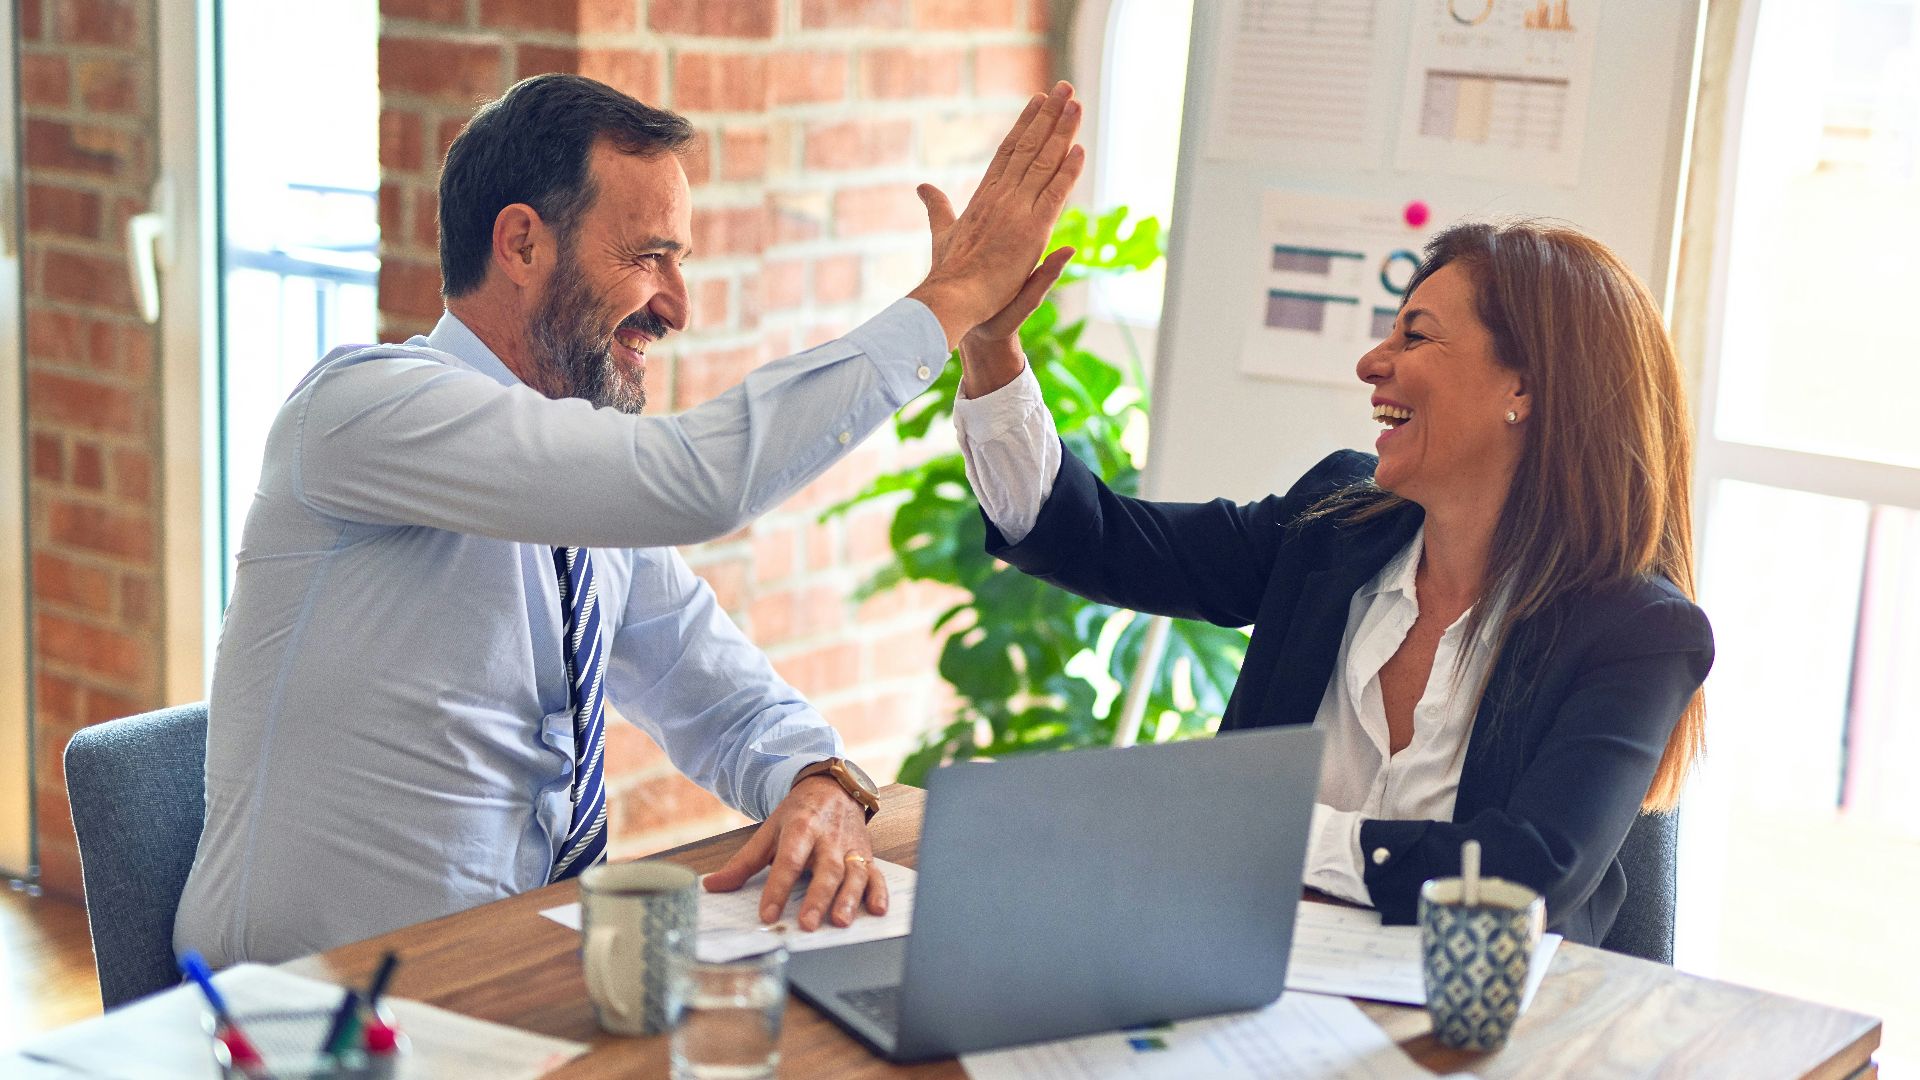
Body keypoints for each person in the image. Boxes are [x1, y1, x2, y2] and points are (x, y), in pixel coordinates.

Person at [175, 73, 1085, 965]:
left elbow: (721, 695)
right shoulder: (363, 410)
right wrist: (952, 299)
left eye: (679, 261)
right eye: (650, 256)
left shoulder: (581, 497)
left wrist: (819, 780)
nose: (677, 306)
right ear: (523, 245)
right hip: (308, 1018)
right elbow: (700, 481)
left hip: (512, 982)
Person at [950, 220, 1713, 945]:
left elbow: (1522, 877)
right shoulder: (1334, 526)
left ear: (1525, 388)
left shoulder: (1637, 632)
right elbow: (1098, 539)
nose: (1371, 363)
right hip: (1248, 981)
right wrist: (991, 348)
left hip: (1479, 1039)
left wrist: (1264, 830)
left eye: (1414, 335)